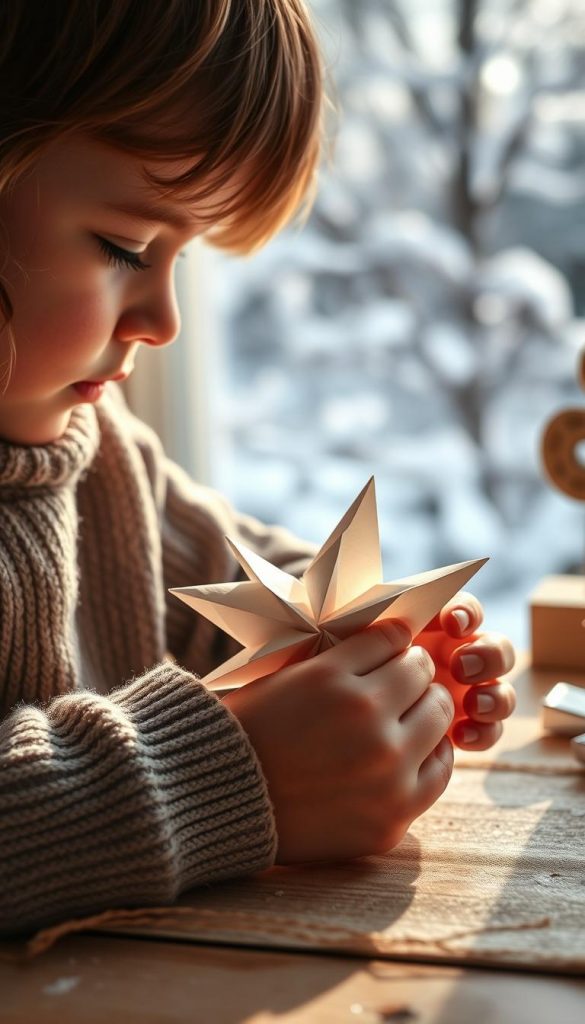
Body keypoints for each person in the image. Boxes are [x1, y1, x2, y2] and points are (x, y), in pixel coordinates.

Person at [0, 0, 516, 936]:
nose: (163, 322)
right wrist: (232, 775)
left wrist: (370, 649)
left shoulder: (103, 456)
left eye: (179, 260)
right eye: (124, 247)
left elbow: (229, 597)